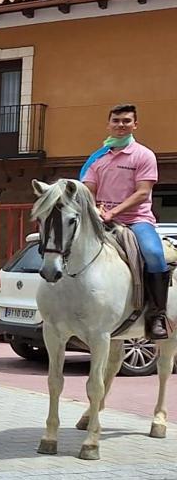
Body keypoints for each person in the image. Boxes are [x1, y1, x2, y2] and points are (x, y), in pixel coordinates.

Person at [82, 103, 170, 339]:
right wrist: (96, 207)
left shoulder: (144, 154)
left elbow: (142, 192)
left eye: (126, 121)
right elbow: (88, 188)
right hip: (101, 219)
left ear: (135, 125)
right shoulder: (97, 158)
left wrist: (113, 212)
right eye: (116, 120)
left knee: (154, 254)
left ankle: (157, 316)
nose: (121, 125)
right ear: (108, 124)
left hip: (136, 220)